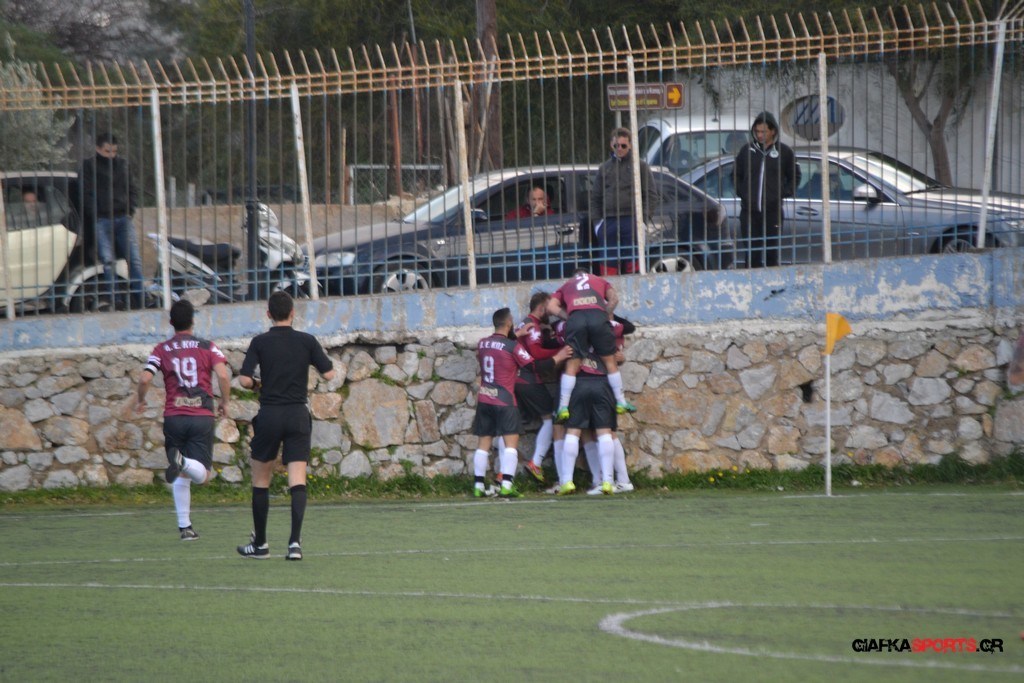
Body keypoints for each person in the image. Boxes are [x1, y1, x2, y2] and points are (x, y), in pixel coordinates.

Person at [236, 291, 335, 561]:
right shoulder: (307, 340)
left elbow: (244, 380)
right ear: (293, 313)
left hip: (270, 414)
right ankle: (294, 544)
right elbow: (329, 373)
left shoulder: (260, 342)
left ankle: (261, 544)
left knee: (261, 480)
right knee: (297, 480)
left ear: (268, 314)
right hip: (297, 414)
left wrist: (257, 384)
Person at [129, 299, 231, 540]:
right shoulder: (207, 346)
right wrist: (225, 402)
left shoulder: (161, 349)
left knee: (182, 474)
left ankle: (185, 528)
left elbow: (144, 379)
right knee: (202, 476)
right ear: (193, 321)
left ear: (171, 322)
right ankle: (183, 462)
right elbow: (223, 375)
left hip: (174, 417)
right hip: (201, 416)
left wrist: (141, 400)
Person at [547, 268, 635, 422]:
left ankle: (563, 407)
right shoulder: (599, 280)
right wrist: (604, 313)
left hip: (576, 318)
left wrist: (569, 317)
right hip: (598, 317)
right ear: (589, 274)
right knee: (610, 361)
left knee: (572, 364)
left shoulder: (567, 284)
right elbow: (614, 299)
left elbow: (551, 307)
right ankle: (621, 402)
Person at [471, 307, 536, 499]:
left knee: (483, 444)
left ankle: (478, 486)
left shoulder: (482, 344)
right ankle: (507, 485)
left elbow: (496, 348)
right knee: (510, 444)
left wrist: (515, 335)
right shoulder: (512, 346)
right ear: (509, 323)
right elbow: (532, 365)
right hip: (505, 401)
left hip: (485, 399)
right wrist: (558, 358)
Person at [79, 131, 147, 310]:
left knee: (134, 260)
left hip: (123, 218)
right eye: (107, 151)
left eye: (114, 151)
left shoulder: (123, 165)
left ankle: (141, 298)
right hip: (102, 220)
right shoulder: (89, 166)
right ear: (98, 149)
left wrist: (130, 210)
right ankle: (115, 300)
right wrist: (95, 212)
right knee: (108, 262)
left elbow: (132, 188)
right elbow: (84, 192)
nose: (111, 155)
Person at [513, 291, 572, 483]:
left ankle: (504, 475)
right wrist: (560, 353)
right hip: (528, 379)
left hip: (517, 379)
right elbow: (536, 353)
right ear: (541, 308)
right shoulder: (533, 326)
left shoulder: (526, 324)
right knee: (551, 418)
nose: (553, 312)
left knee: (513, 427)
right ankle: (536, 462)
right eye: (549, 308)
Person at [733, 111, 800, 268]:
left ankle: (772, 281)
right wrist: (743, 193)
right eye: (757, 131)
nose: (760, 135)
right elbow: (736, 174)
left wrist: (782, 192)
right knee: (752, 254)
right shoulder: (747, 151)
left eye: (764, 132)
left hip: (773, 213)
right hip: (749, 213)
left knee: (772, 253)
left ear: (773, 131)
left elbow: (795, 176)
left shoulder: (784, 152)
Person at [589, 127, 658, 275]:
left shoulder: (640, 166)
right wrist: (598, 225)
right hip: (609, 221)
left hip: (631, 219)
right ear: (611, 145)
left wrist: (643, 221)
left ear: (630, 145)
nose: (619, 149)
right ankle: (610, 289)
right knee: (608, 265)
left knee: (634, 264)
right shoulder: (604, 168)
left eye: (623, 145)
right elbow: (595, 198)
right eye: (616, 145)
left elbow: (651, 195)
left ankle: (635, 289)